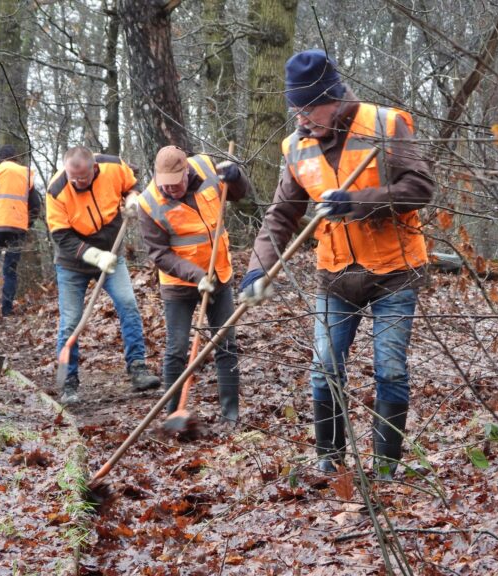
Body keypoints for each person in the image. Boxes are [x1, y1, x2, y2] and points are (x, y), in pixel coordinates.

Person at [239, 49, 434, 478]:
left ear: (334, 98)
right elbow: (281, 215)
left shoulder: (384, 125)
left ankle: (386, 467)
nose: (301, 119)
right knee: (324, 367)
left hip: (394, 271)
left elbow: (420, 187)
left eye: (309, 109)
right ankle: (330, 460)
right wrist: (258, 268)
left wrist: (358, 202)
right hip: (336, 274)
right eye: (295, 110)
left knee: (390, 369)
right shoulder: (296, 146)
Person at [138, 146, 252, 424]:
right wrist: (196, 275)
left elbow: (239, 194)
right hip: (179, 285)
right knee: (177, 349)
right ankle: (172, 414)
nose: (170, 190)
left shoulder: (207, 168)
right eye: (165, 185)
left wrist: (236, 177)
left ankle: (231, 416)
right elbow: (159, 254)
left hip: (219, 275)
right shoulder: (148, 203)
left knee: (226, 344)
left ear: (187, 172)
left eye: (176, 185)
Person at [46, 146, 161, 404]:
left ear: (94, 168)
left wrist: (132, 199)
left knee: (128, 304)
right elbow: (61, 235)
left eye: (83, 178)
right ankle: (68, 383)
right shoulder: (56, 189)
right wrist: (94, 256)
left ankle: (138, 368)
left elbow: (131, 184)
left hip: (112, 252)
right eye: (73, 177)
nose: (77, 182)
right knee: (71, 321)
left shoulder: (113, 166)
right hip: (73, 263)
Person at [0, 144, 41, 316]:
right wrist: (27, 224)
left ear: (0, 159)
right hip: (17, 228)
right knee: (10, 268)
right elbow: (35, 206)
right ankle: (7, 309)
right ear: (16, 158)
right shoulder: (26, 174)